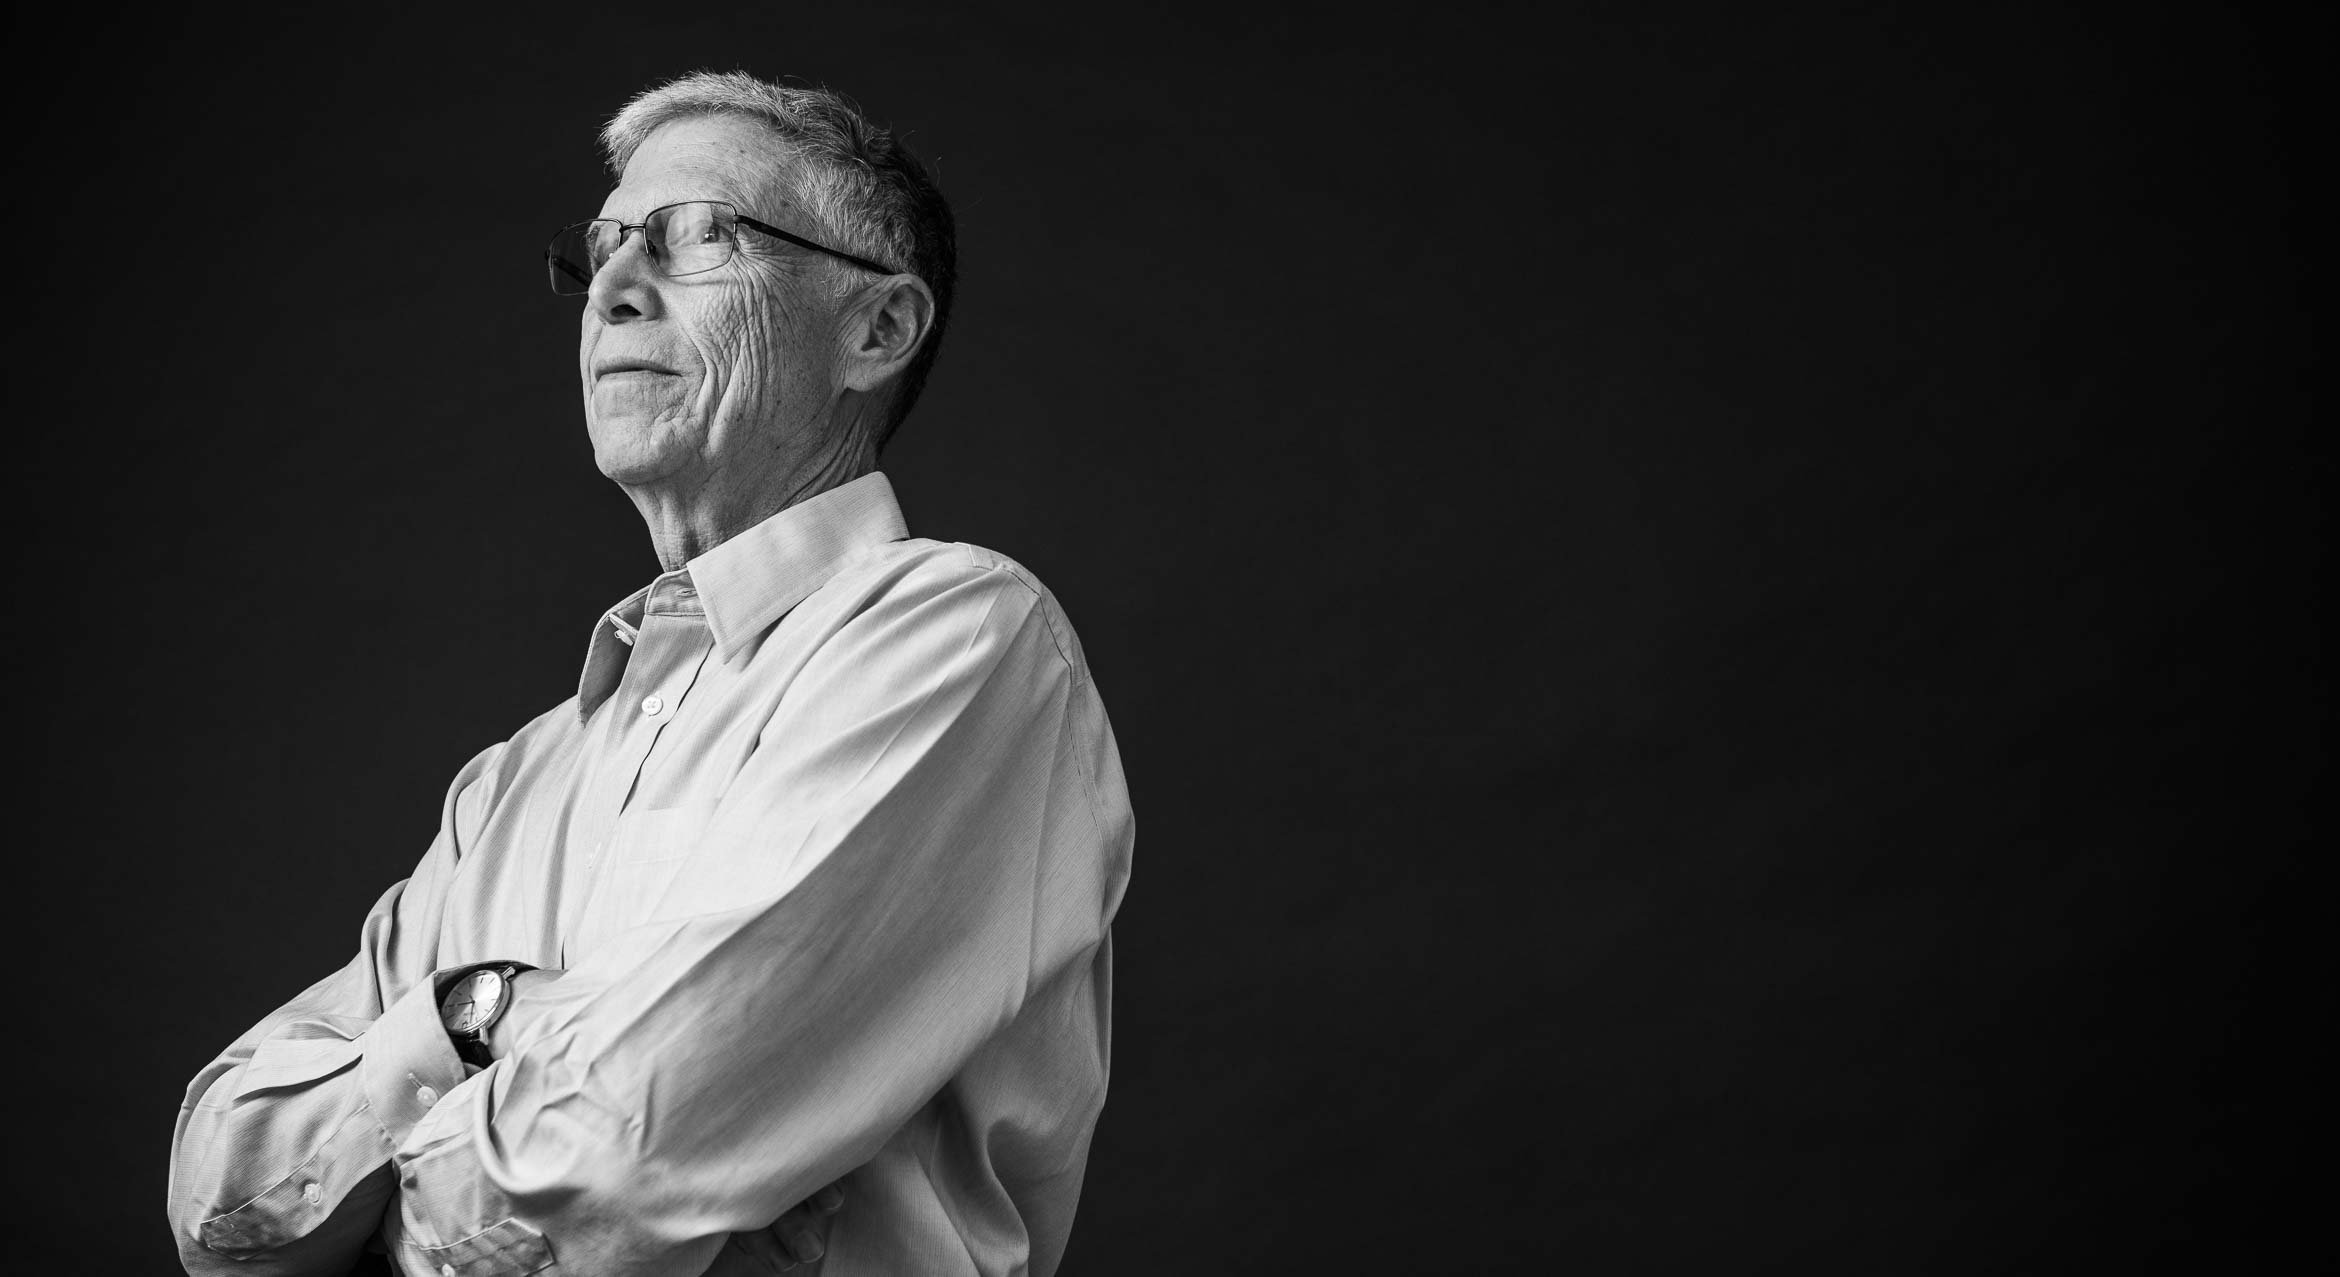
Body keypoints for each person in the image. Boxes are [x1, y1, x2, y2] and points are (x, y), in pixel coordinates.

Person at [167, 71, 1134, 1277]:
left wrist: (389, 1167)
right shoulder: (516, 779)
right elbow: (223, 1205)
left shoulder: (959, 637)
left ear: (877, 329)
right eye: (604, 249)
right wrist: (477, 1013)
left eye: (697, 240)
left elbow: (615, 1174)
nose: (614, 291)